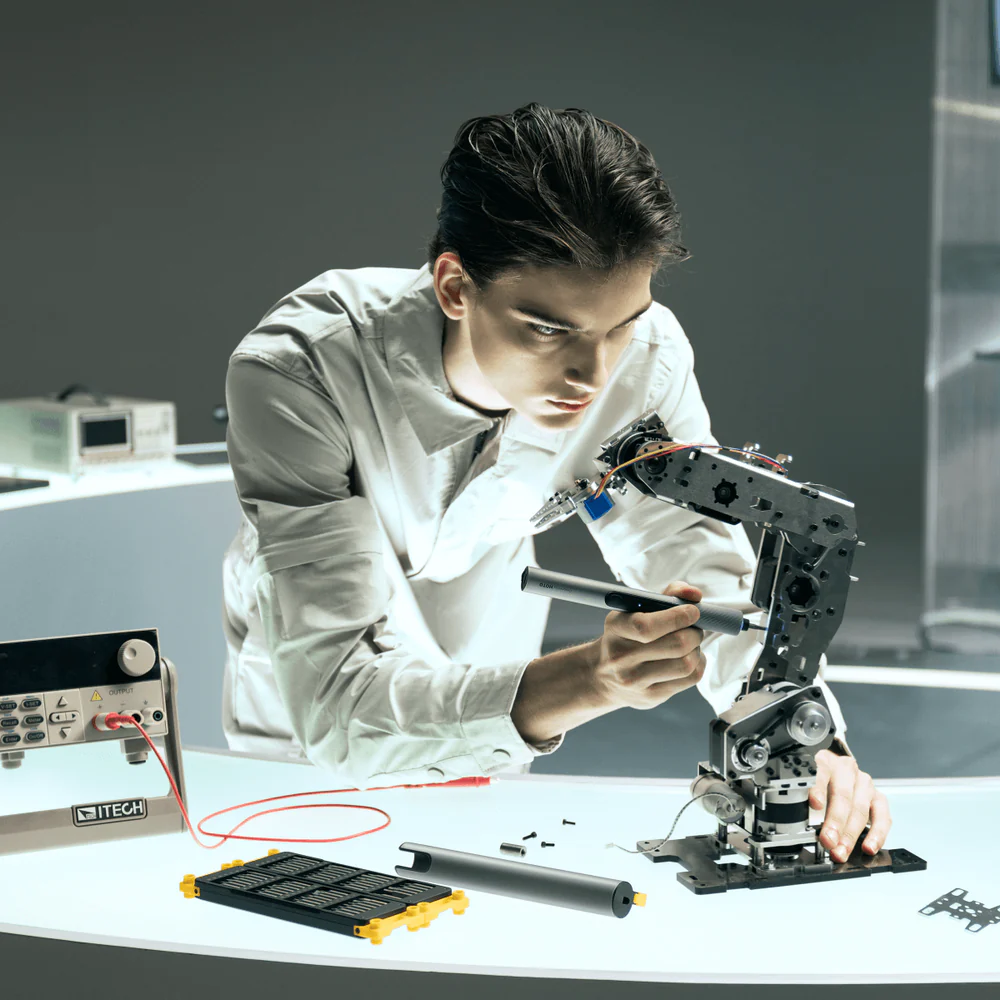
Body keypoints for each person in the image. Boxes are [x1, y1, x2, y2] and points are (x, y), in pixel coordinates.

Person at [221, 103, 891, 864]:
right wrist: (588, 679)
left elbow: (692, 559)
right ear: (452, 285)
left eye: (621, 325)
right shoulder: (299, 370)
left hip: (490, 643)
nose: (593, 374)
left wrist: (806, 741)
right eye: (547, 329)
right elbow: (339, 704)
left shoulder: (647, 358)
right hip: (308, 681)